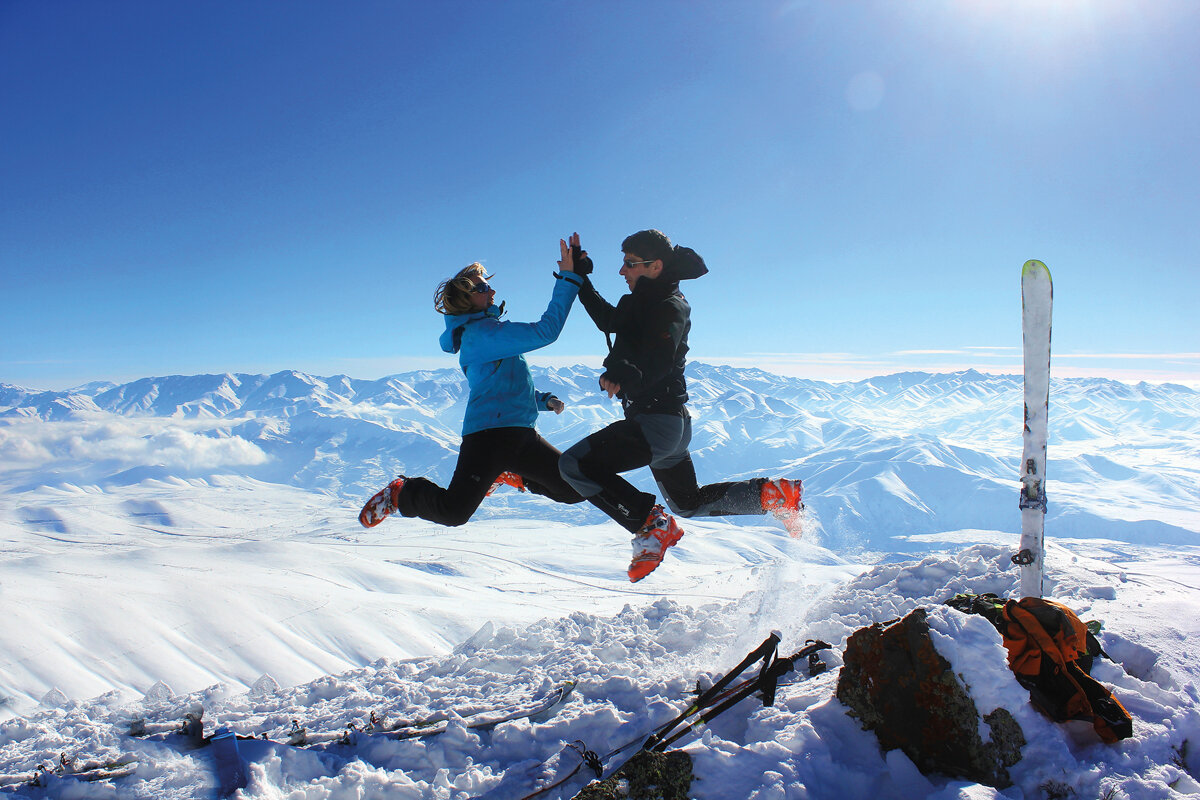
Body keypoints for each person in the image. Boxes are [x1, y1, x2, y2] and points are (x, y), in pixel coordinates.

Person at [559, 229, 803, 582]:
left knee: (573, 465)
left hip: (655, 422)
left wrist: (625, 373)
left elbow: (661, 356)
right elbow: (608, 321)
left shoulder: (669, 305)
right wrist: (580, 277)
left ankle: (649, 522)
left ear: (655, 266)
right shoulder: (641, 303)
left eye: (629, 264)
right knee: (688, 502)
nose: (621, 271)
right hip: (670, 426)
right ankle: (771, 494)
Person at [358, 238, 586, 529]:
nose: (491, 290)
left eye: (487, 284)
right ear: (466, 301)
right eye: (481, 288)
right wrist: (569, 277)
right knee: (453, 512)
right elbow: (547, 331)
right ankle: (402, 493)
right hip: (488, 438)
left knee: (573, 488)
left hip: (520, 432)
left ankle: (512, 474)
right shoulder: (483, 336)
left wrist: (541, 400)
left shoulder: (490, 334)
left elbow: (501, 383)